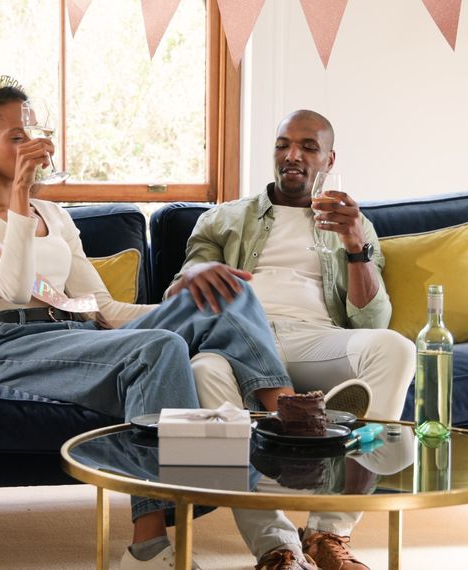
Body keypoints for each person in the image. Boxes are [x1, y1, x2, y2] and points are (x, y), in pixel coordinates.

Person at [0, 75, 299, 569]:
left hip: (82, 335)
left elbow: (103, 309)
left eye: (32, 133)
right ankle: (148, 548)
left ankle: (293, 425)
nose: (30, 144)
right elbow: (13, 289)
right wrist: (17, 194)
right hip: (13, 345)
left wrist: (178, 299)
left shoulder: (55, 216)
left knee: (227, 292)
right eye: (15, 136)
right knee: (159, 348)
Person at [167, 110, 417, 570]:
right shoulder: (223, 219)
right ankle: (276, 546)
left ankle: (328, 532)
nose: (292, 155)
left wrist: (355, 244)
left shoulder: (353, 223)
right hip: (238, 343)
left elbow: (373, 319)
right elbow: (181, 291)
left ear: (329, 159)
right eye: (283, 144)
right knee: (202, 370)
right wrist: (196, 270)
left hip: (316, 340)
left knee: (396, 348)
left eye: (307, 146)